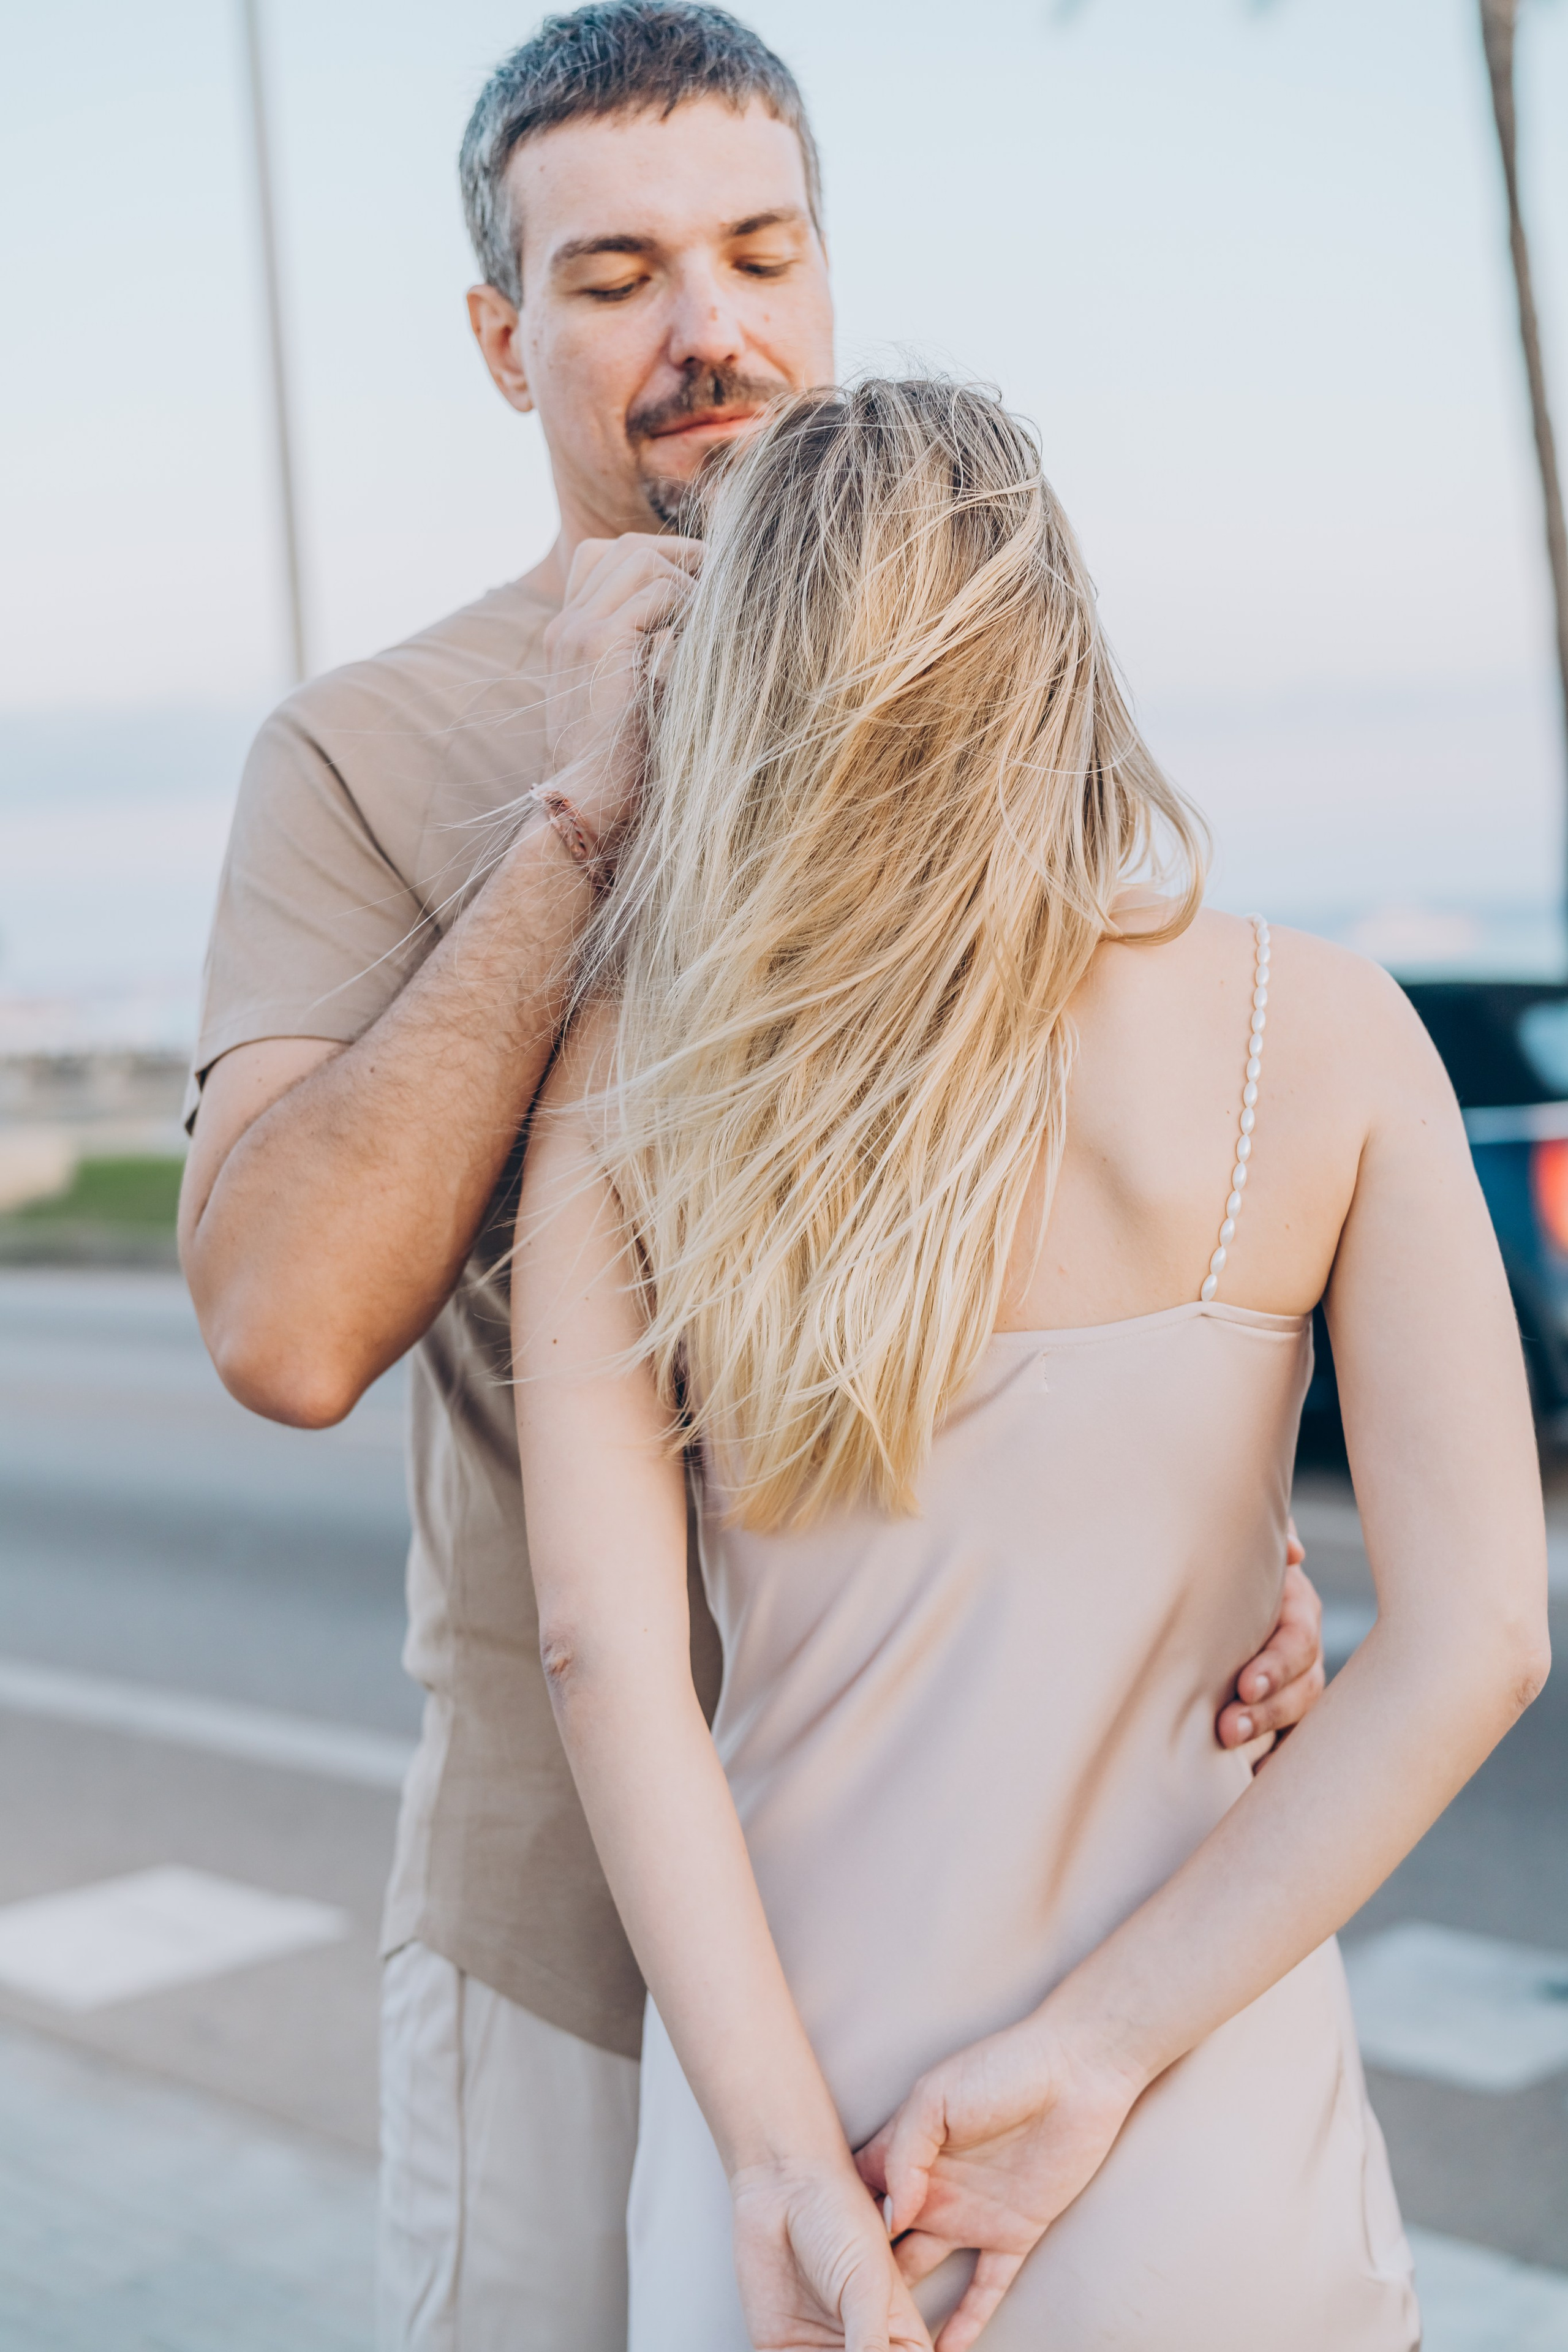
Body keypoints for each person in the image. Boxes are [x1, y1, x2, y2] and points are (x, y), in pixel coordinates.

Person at [179, 9, 1327, 2345]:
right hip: (573, 1952)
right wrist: (583, 806)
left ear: (823, 276)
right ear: (504, 340)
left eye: (757, 252)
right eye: (613, 279)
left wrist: (1249, 1522)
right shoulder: (365, 758)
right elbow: (282, 1323)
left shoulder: (983, 697)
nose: (709, 332)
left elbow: (1132, 1180)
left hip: (997, 1941)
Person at [510, 376, 1550, 2352]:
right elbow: (1484, 1632)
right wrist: (1091, 2054)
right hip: (1205, 2148)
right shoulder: (1323, 1035)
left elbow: (602, 1655)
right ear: (1055, 636)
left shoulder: (634, 1076)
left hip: (804, 2137)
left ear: (743, 684)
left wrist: (777, 2166)